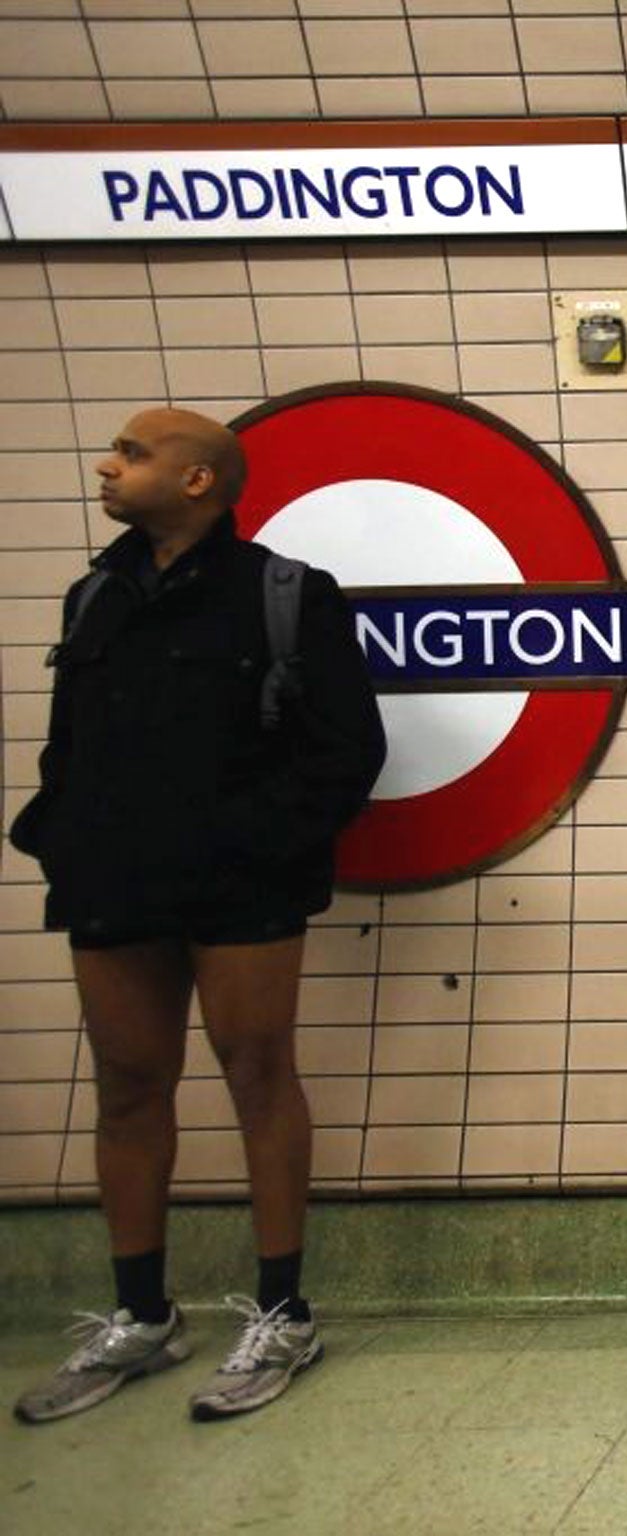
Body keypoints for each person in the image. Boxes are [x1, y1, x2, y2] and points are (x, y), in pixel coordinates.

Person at [9, 408, 386, 1424]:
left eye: (133, 453)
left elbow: (346, 750)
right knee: (128, 1085)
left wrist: (257, 845)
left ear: (198, 482)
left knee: (258, 1076)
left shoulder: (285, 597)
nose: (107, 464)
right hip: (113, 882)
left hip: (241, 887)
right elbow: (67, 743)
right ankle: (142, 1315)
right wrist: (60, 831)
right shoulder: (94, 596)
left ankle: (282, 1312)